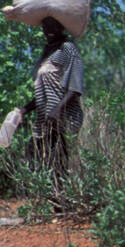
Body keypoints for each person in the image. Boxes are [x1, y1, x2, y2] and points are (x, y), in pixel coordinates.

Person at [20, 15, 84, 207]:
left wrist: (57, 109)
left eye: (53, 26)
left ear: (61, 27)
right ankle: (48, 202)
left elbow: (75, 87)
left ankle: (62, 205)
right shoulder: (47, 52)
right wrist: (24, 109)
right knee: (35, 156)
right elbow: (43, 89)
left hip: (63, 117)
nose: (48, 31)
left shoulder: (68, 49)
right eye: (45, 27)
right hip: (44, 119)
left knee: (58, 160)